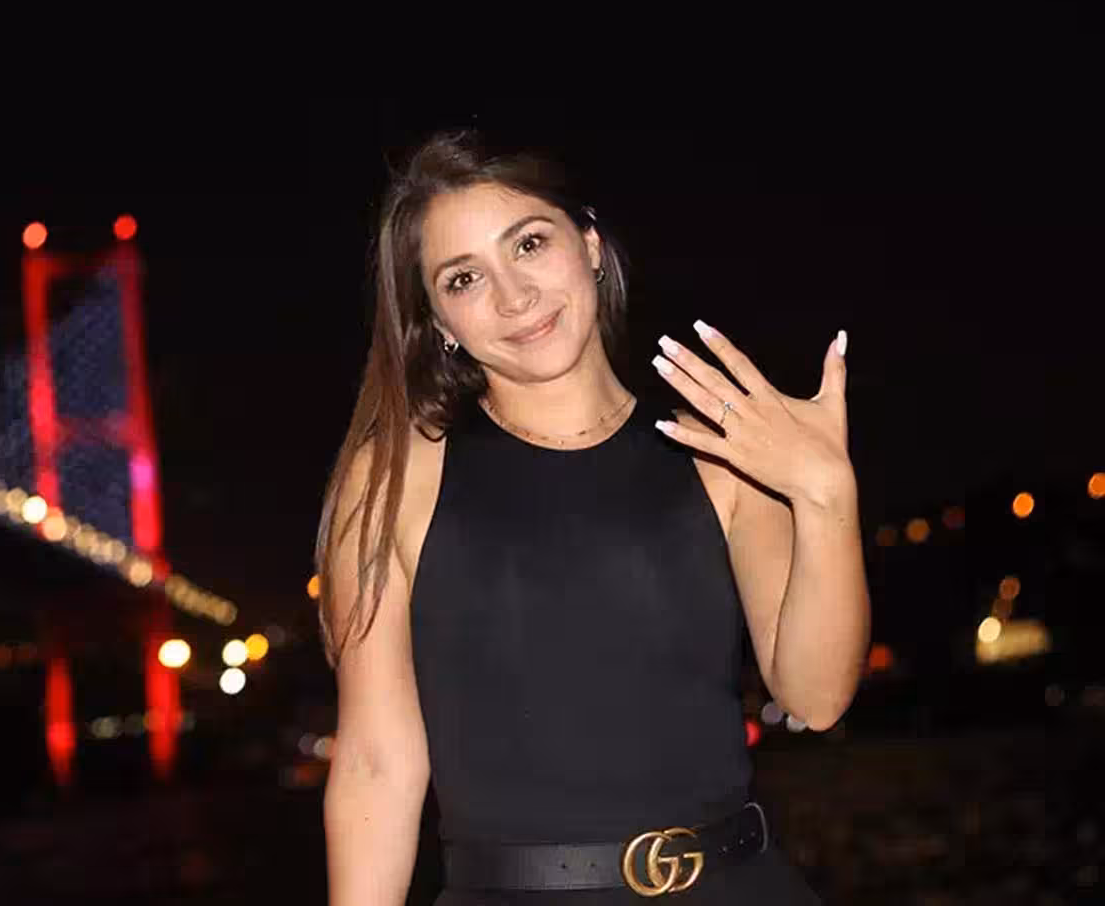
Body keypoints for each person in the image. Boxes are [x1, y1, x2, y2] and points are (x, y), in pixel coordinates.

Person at [316, 130, 869, 904]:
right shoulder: (398, 476)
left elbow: (815, 697)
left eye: (531, 244)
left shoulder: (719, 450)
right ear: (438, 320)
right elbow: (377, 759)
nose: (513, 298)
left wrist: (825, 497)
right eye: (464, 278)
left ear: (591, 244)